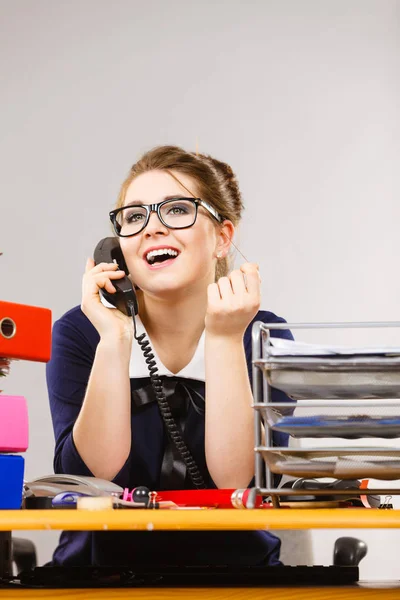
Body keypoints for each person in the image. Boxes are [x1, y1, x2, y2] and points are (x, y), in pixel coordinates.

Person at [46, 145, 294, 568]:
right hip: (96, 573)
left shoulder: (263, 335)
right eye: (134, 216)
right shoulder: (82, 331)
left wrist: (224, 339)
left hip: (236, 573)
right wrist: (115, 338)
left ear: (222, 237)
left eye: (177, 210)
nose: (152, 228)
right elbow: (92, 479)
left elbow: (239, 483)